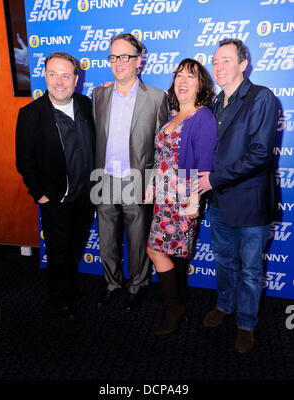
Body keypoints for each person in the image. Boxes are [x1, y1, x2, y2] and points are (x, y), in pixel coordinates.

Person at [198, 38, 279, 353]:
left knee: (250, 269)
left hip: (249, 203)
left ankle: (246, 323)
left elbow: (260, 154)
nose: (218, 66)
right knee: (224, 261)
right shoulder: (215, 103)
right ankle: (224, 305)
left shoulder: (261, 97)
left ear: (244, 65)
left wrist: (214, 179)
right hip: (218, 202)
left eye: (226, 60)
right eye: (215, 61)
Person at [92, 33, 169, 312]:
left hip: (138, 180)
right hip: (103, 179)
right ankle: (112, 284)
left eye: (125, 56)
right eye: (113, 56)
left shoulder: (158, 98)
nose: (118, 62)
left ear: (139, 61)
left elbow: (162, 147)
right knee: (106, 240)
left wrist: (154, 182)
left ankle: (138, 286)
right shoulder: (98, 94)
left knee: (138, 241)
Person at [16, 52, 95, 321]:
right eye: (53, 74)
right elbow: (24, 160)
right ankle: (59, 298)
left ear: (76, 78)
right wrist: (40, 195)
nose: (59, 81)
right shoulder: (30, 114)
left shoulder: (86, 105)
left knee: (75, 246)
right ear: (45, 76)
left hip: (86, 195)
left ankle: (71, 289)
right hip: (55, 198)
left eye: (65, 75)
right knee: (58, 250)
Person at [146, 58, 217, 335]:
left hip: (181, 200)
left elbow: (204, 165)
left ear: (201, 85)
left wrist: (194, 203)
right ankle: (177, 305)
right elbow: (162, 156)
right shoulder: (174, 114)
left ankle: (174, 308)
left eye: (191, 77)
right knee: (170, 255)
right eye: (179, 76)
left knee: (156, 250)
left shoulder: (203, 117)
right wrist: (153, 184)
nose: (183, 81)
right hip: (163, 198)